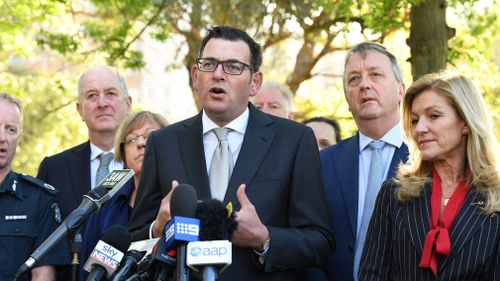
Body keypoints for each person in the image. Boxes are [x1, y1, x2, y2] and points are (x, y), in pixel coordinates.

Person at [128, 26, 334, 281]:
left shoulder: (293, 140)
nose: (218, 75)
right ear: (195, 76)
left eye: (233, 67)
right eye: (209, 64)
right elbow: (134, 239)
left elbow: (319, 242)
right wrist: (157, 228)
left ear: (254, 82)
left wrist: (264, 238)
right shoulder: (163, 143)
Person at [359, 71, 500, 280]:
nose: (419, 129)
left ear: (465, 122)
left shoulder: (495, 198)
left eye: (434, 116)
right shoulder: (393, 194)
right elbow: (372, 274)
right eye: (415, 120)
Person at [302, 42, 410, 281]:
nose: (364, 84)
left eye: (375, 75)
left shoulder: (425, 159)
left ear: (400, 90)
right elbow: (306, 239)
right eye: (354, 79)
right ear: (347, 99)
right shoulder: (322, 163)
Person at [37, 65, 132, 280]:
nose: (102, 103)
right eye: (92, 96)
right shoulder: (54, 168)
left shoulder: (149, 164)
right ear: (80, 110)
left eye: (111, 93)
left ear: (128, 104)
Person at [79, 111, 168, 281]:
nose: (141, 143)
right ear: (123, 152)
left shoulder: (176, 199)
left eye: (150, 136)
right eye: (131, 139)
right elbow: (88, 270)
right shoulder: (105, 205)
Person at [0, 93, 69, 281]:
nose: (2, 137)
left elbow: (43, 276)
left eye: (11, 129)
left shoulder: (40, 200)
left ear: (18, 136)